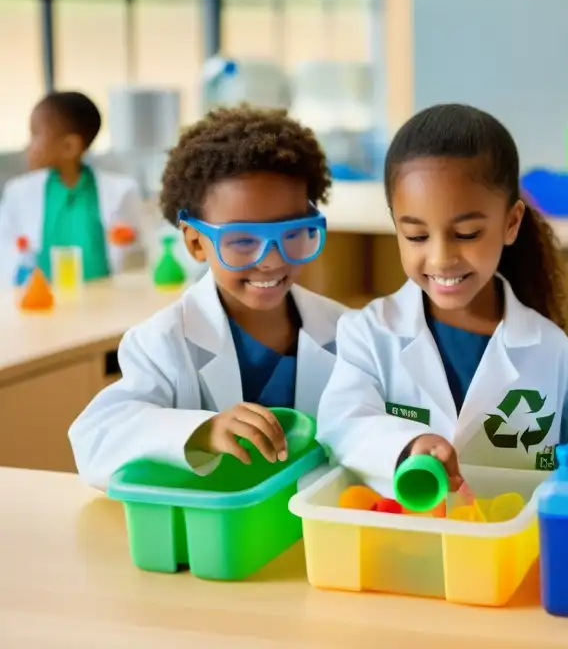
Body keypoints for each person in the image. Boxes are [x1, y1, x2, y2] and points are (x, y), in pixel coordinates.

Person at [69, 106, 347, 490]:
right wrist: (202, 431)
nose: (271, 261)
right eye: (243, 240)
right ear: (196, 242)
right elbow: (94, 439)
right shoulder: (163, 342)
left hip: (318, 536)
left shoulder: (348, 332)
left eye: (294, 232)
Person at [316, 104, 568, 496]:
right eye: (417, 236)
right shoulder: (368, 334)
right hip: (401, 546)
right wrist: (405, 446)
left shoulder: (551, 352)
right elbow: (341, 423)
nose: (441, 258)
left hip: (506, 551)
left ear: (511, 223)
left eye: (468, 233)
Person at [0, 91, 143, 285]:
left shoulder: (121, 192)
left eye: (35, 134)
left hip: (105, 302)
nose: (29, 145)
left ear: (69, 146)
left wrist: (128, 241)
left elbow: (138, 255)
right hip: (41, 302)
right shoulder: (18, 193)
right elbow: (6, 254)